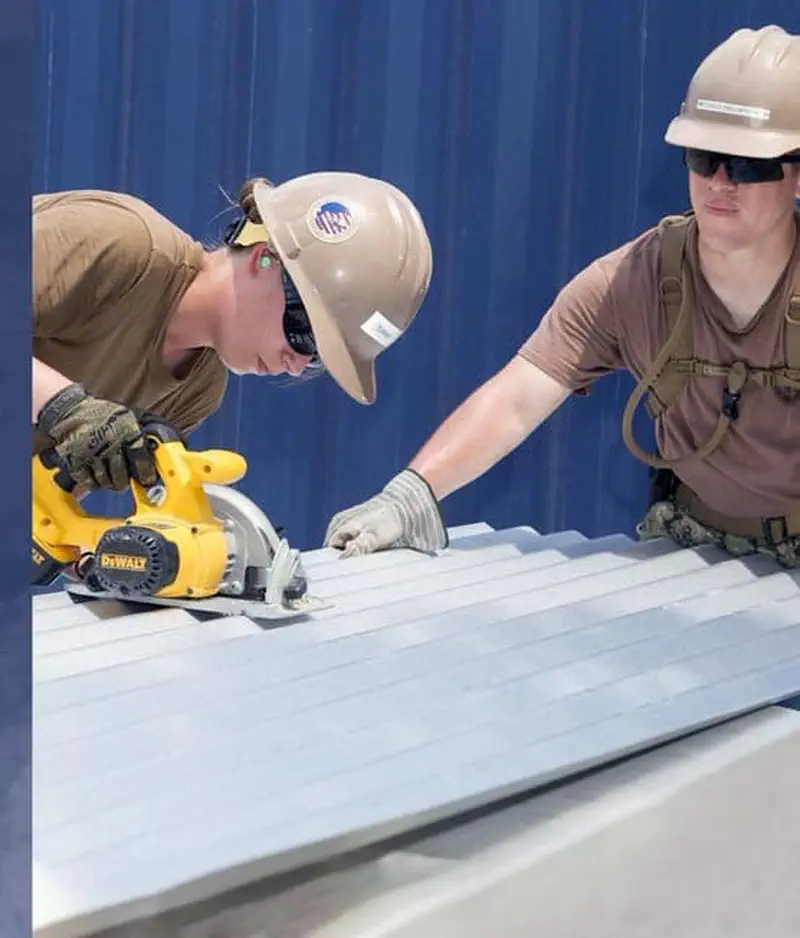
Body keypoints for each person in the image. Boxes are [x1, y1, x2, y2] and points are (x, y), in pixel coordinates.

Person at [324, 24, 800, 569]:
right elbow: (518, 397)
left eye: (748, 164)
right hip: (692, 546)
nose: (719, 181)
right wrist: (410, 495)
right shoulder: (633, 281)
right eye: (702, 156)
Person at [32, 171, 433, 492]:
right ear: (265, 259)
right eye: (305, 335)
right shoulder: (124, 244)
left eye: (317, 357)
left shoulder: (197, 391)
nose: (296, 365)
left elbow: (44, 502)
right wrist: (65, 409)